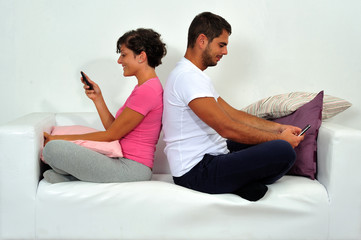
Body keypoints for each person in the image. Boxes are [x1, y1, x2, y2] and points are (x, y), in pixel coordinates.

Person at [162, 12, 304, 201]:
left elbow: (233, 115)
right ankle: (239, 182)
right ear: (202, 40)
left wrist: (279, 129)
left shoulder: (194, 75)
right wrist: (280, 141)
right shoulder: (187, 77)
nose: (225, 52)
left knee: (268, 143)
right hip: (195, 172)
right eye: (221, 45)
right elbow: (226, 128)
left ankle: (238, 182)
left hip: (211, 156)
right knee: (283, 151)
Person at [43, 28, 167, 184]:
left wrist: (58, 139)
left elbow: (110, 135)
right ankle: (71, 177)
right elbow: (113, 130)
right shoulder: (145, 88)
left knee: (52, 150)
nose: (119, 61)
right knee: (54, 158)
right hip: (123, 161)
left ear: (141, 57)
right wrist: (98, 98)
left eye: (123, 55)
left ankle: (71, 176)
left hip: (131, 167)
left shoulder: (148, 91)